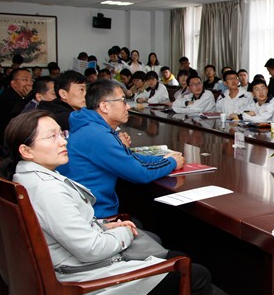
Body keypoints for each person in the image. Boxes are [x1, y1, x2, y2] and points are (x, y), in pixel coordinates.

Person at [0, 110, 208, 295]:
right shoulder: (47, 190)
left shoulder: (25, 177)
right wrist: (121, 233)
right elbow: (91, 249)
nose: (63, 141)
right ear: (26, 150)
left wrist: (104, 226)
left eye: (61, 134)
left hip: (69, 265)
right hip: (83, 281)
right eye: (51, 137)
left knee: (167, 252)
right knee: (196, 275)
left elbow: (67, 225)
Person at [58, 79, 185, 220]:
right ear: (105, 106)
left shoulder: (92, 127)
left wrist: (163, 158)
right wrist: (171, 163)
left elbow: (128, 156)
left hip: (90, 210)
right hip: (96, 218)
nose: (128, 107)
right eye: (123, 101)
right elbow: (139, 173)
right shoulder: (96, 134)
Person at [0, 67, 33, 146]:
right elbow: (25, 118)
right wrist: (29, 97)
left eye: (31, 80)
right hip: (1, 144)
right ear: (13, 83)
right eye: (25, 80)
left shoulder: (12, 94)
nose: (30, 83)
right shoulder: (9, 99)